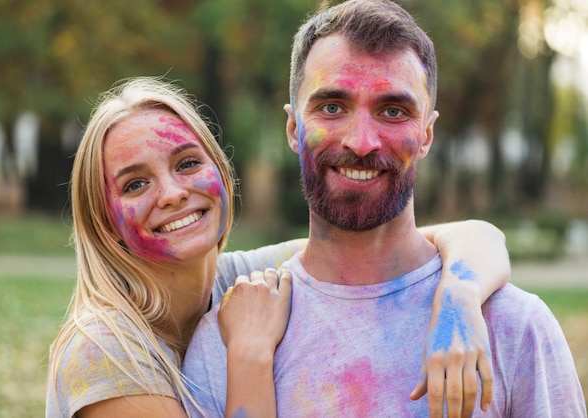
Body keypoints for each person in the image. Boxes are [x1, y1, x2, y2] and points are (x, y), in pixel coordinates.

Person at [182, 1, 587, 417]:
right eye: (332, 107)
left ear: (426, 135)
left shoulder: (514, 329)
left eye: (393, 111)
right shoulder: (230, 340)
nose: (361, 142)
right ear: (292, 128)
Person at [45, 76, 509, 418]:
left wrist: (459, 301)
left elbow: (472, 236)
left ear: (221, 175)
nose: (171, 193)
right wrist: (249, 353)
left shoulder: (243, 279)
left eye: (187, 163)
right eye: (136, 184)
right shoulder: (103, 351)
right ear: (105, 224)